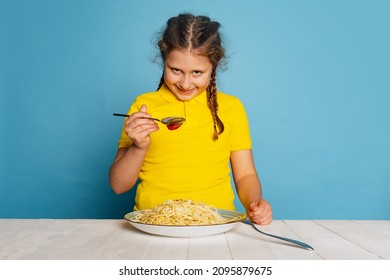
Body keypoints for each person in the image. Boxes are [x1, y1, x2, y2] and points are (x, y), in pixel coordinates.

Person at [109, 13, 272, 225]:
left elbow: (245, 175)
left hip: (216, 222)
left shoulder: (232, 108)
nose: (185, 83)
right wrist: (138, 147)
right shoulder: (144, 106)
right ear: (164, 60)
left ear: (213, 66)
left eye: (197, 72)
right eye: (176, 70)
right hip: (155, 223)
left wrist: (255, 203)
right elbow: (118, 185)